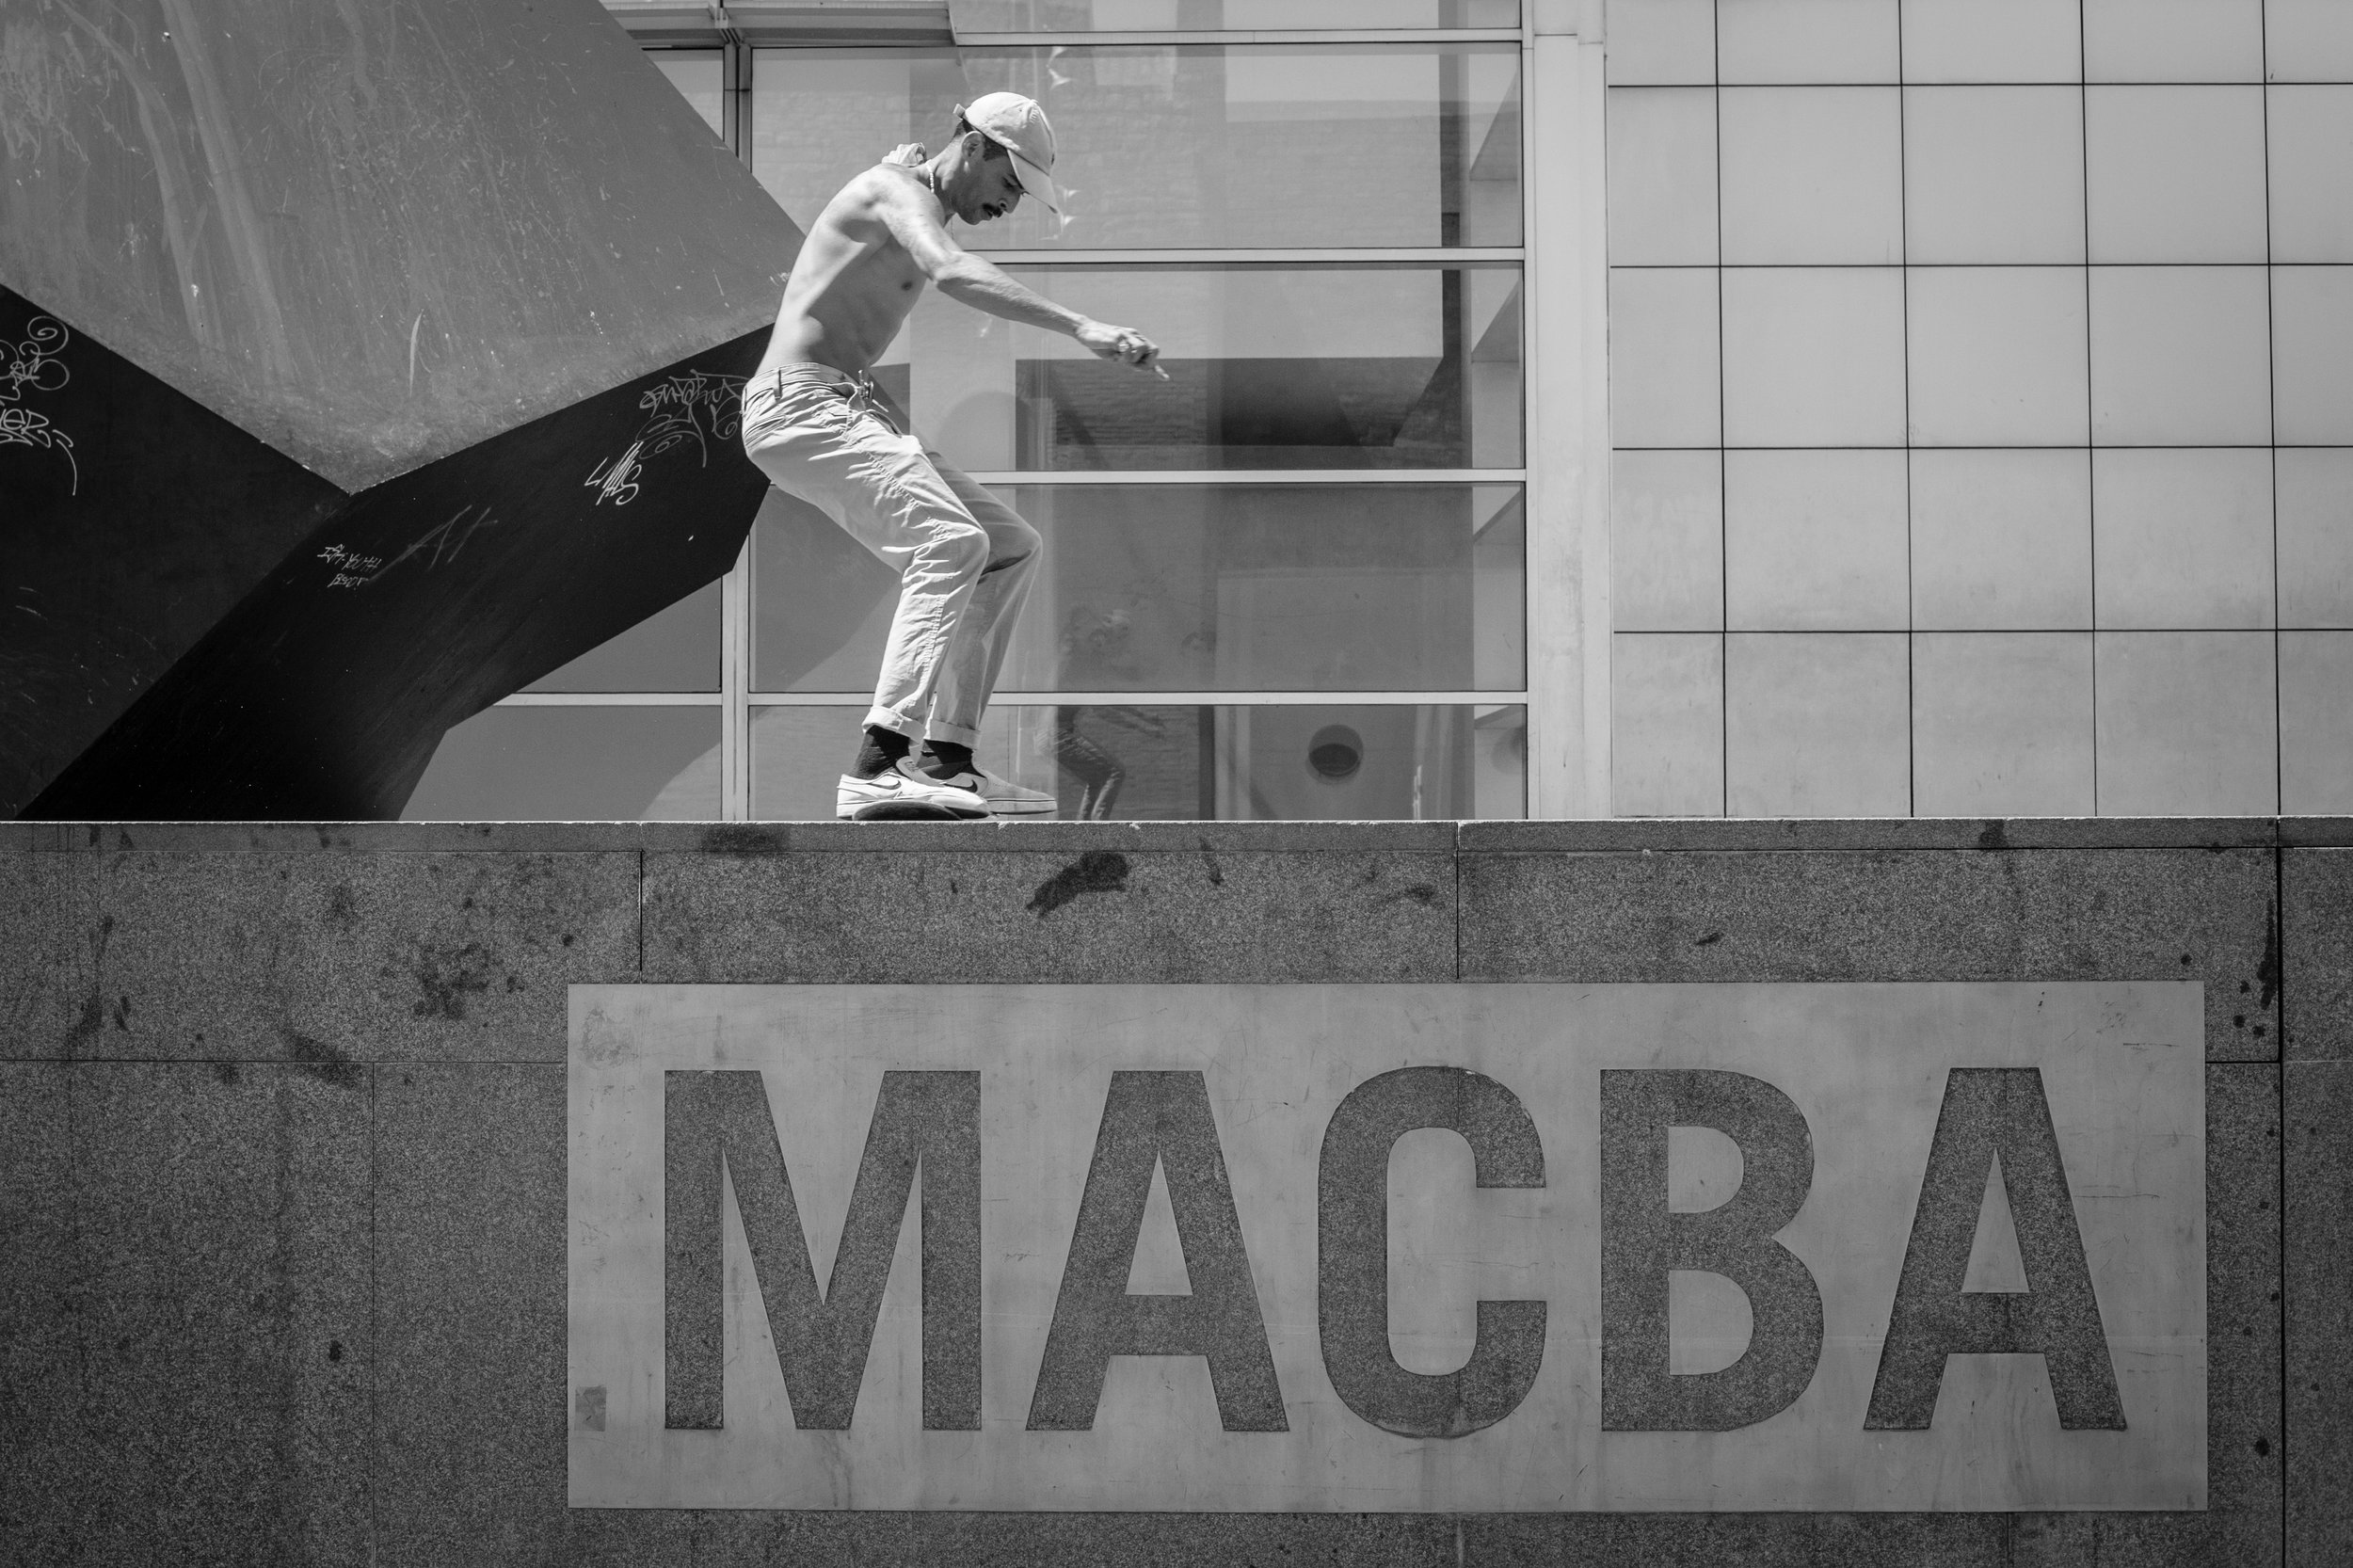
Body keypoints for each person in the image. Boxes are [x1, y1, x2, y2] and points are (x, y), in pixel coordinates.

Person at [739, 92, 1163, 821]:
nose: (1010, 206)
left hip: (844, 404)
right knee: (948, 541)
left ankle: (949, 760)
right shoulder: (892, 193)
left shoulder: (916, 191)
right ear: (975, 147)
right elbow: (952, 272)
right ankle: (877, 762)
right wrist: (1082, 325)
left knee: (1008, 547)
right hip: (799, 405)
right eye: (1009, 186)